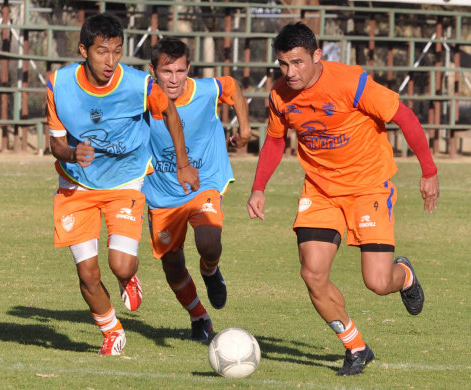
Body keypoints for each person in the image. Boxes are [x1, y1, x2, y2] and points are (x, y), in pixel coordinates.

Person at [247, 22, 439, 376]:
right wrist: (259, 187)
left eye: (298, 62)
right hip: (320, 192)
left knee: (378, 282)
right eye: (283, 64)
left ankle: (406, 275)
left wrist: (428, 172)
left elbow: (404, 116)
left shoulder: (351, 82)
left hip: (368, 187)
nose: (290, 72)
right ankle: (355, 347)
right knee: (312, 273)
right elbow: (275, 140)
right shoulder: (280, 95)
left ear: (317, 56)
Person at [47, 13, 199, 355]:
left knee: (121, 264)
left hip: (125, 182)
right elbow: (55, 144)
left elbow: (171, 114)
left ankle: (128, 277)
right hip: (76, 186)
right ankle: (112, 331)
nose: (110, 61)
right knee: (87, 273)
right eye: (102, 52)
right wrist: (72, 153)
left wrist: (183, 164)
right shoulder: (59, 83)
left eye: (117, 51)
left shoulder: (138, 84)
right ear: (83, 49)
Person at [143, 37, 251, 342]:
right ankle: (199, 317)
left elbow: (231, 87)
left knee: (209, 242)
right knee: (173, 265)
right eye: (167, 72)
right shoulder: (143, 99)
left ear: (188, 68)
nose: (174, 79)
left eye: (180, 71)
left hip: (203, 184)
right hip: (162, 193)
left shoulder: (205, 91)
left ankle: (210, 270)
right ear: (153, 71)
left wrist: (244, 130)